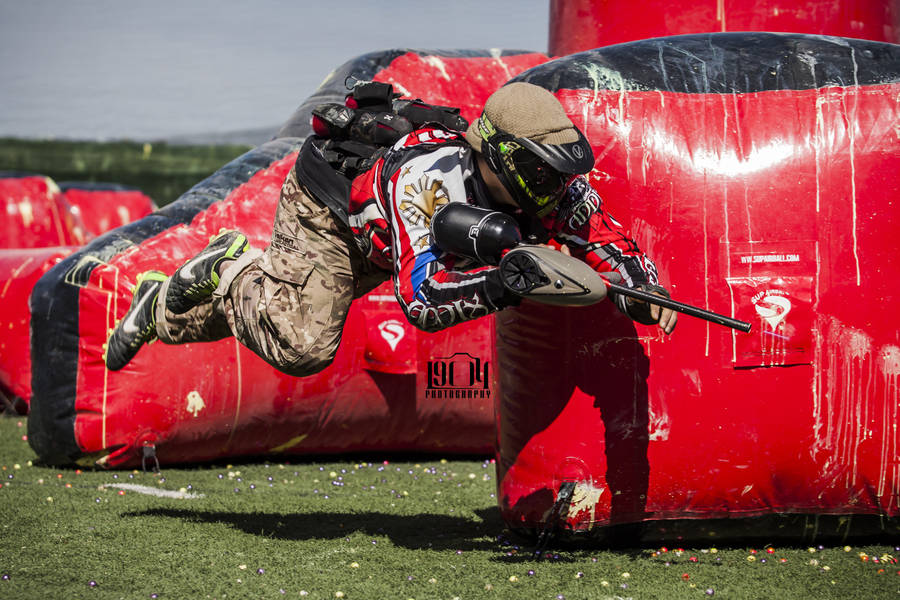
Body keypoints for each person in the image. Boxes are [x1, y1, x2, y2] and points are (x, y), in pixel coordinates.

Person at [105, 82, 676, 374]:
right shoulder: (429, 183)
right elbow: (421, 299)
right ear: (498, 157)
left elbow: (603, 238)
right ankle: (228, 266)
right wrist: (503, 286)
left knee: (263, 321)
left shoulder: (549, 184)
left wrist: (643, 289)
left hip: (382, 240)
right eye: (541, 170)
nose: (554, 185)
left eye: (560, 170)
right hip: (329, 214)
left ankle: (158, 307)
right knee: (304, 346)